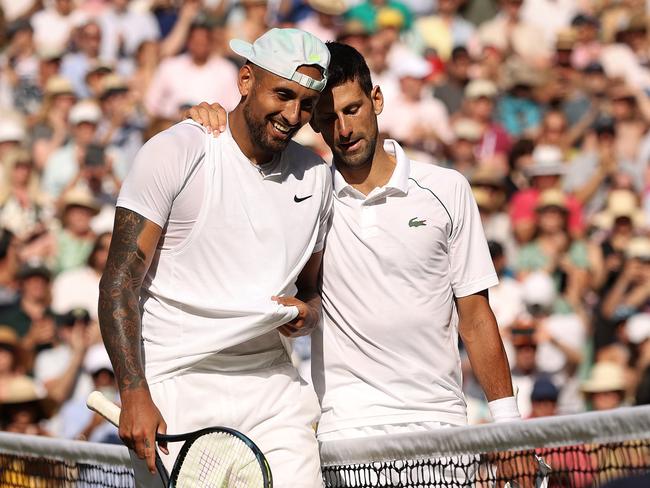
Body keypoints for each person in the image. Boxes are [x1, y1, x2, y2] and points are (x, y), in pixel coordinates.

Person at [187, 41, 519, 438]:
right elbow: (241, 163)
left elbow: (476, 318)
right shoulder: (305, 193)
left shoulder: (448, 190)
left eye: (352, 110)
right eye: (327, 118)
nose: (342, 130)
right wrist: (209, 122)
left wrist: (509, 424)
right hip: (346, 433)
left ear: (376, 99)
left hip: (440, 424)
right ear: (312, 123)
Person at [99, 28, 332, 488]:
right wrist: (133, 391)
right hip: (176, 386)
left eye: (306, 103)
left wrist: (307, 315)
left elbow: (311, 290)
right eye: (283, 94)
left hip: (275, 392)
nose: (293, 114)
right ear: (246, 81)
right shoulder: (176, 150)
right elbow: (119, 282)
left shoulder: (316, 177)